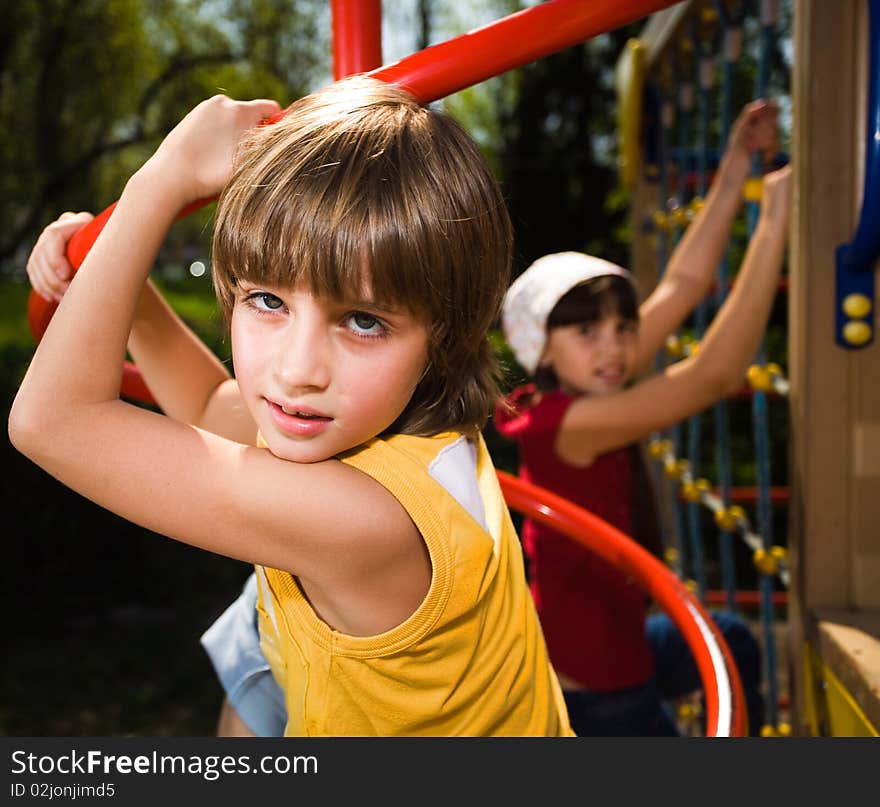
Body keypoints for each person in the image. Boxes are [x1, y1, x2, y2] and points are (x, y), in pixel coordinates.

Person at [11, 75, 575, 737]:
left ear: (444, 334)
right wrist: (114, 272)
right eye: (268, 301)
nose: (297, 369)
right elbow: (207, 400)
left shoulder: (366, 521)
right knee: (256, 636)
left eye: (363, 321)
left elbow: (52, 420)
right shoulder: (399, 426)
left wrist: (162, 180)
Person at [493, 99, 791, 736]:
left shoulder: (586, 381)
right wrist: (774, 223)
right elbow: (711, 375)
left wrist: (737, 163)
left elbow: (683, 285)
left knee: (731, 638)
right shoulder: (565, 426)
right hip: (597, 691)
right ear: (540, 347)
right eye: (587, 331)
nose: (614, 346)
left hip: (624, 644)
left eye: (624, 328)